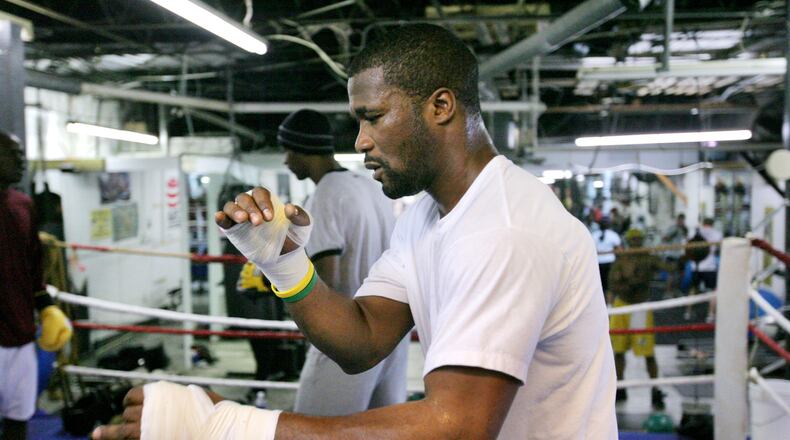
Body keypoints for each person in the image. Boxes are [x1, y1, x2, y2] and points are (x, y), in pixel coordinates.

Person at [93, 23, 616, 439]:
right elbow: (362, 337)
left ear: (440, 107)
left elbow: (457, 427)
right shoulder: (426, 216)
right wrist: (284, 263)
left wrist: (228, 427)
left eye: (374, 117)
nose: (361, 141)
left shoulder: (502, 230)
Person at [278, 108, 408, 415]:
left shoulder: (325, 194)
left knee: (314, 431)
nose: (285, 160)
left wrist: (278, 279)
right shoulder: (366, 186)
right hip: (389, 336)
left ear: (302, 150)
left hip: (345, 336)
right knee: (380, 432)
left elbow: (329, 281)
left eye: (287, 151)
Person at [0, 131, 73, 440]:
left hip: (19, 332)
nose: (21, 161)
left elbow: (33, 265)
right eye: (12, 154)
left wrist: (47, 307)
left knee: (19, 416)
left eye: (21, 154)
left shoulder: (22, 204)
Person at [608, 228, 665, 408]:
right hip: (623, 305)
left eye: (637, 241)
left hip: (640, 306)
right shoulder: (621, 260)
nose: (635, 244)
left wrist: (687, 258)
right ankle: (620, 388)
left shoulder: (648, 258)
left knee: (648, 352)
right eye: (632, 241)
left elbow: (668, 267)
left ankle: (655, 390)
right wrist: (626, 282)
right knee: (618, 351)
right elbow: (612, 283)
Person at [592, 217, 622, 302]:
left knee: (600, 285)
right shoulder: (613, 235)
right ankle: (609, 305)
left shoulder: (594, 235)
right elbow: (619, 250)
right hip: (610, 263)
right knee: (609, 285)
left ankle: (600, 303)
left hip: (597, 263)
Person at [662, 213, 688, 293]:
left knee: (681, 274)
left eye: (683, 220)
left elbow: (686, 238)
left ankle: (676, 290)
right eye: (680, 220)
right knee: (671, 274)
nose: (681, 221)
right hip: (672, 254)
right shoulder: (673, 228)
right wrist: (672, 234)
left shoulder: (684, 229)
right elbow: (664, 238)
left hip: (681, 254)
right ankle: (668, 292)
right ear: (677, 220)